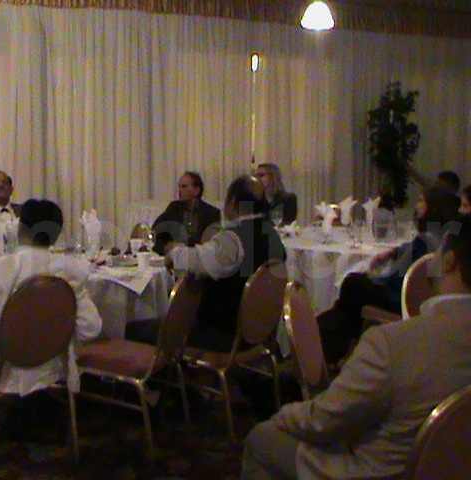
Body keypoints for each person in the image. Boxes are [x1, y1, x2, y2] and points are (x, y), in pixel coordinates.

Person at [242, 214, 471, 480]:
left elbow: (324, 421)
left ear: (449, 260)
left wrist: (283, 414)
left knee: (260, 438)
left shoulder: (390, 344)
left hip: (380, 471)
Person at [0, 199, 101, 412]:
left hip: (1, 371)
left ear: (20, 229)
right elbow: (91, 328)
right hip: (53, 366)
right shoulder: (71, 270)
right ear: (56, 234)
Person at [317, 186, 460, 364]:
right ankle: (338, 338)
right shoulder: (446, 235)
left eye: (421, 201)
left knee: (352, 284)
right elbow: (409, 249)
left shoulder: (426, 241)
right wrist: (393, 252)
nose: (417, 205)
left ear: (433, 207)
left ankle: (334, 344)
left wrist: (376, 278)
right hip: (415, 299)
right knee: (349, 298)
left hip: (401, 298)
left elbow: (400, 278)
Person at [164, 174, 286, 352]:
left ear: (233, 202)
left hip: (223, 334)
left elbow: (198, 261)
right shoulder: (272, 234)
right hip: (261, 332)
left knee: (133, 329)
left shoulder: (233, 239)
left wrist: (174, 253)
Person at [151, 171, 220, 255]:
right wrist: (166, 247)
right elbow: (155, 231)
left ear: (196, 190)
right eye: (179, 187)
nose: (179, 190)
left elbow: (212, 245)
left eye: (184, 186)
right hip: (174, 257)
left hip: (198, 258)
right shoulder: (174, 208)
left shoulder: (212, 213)